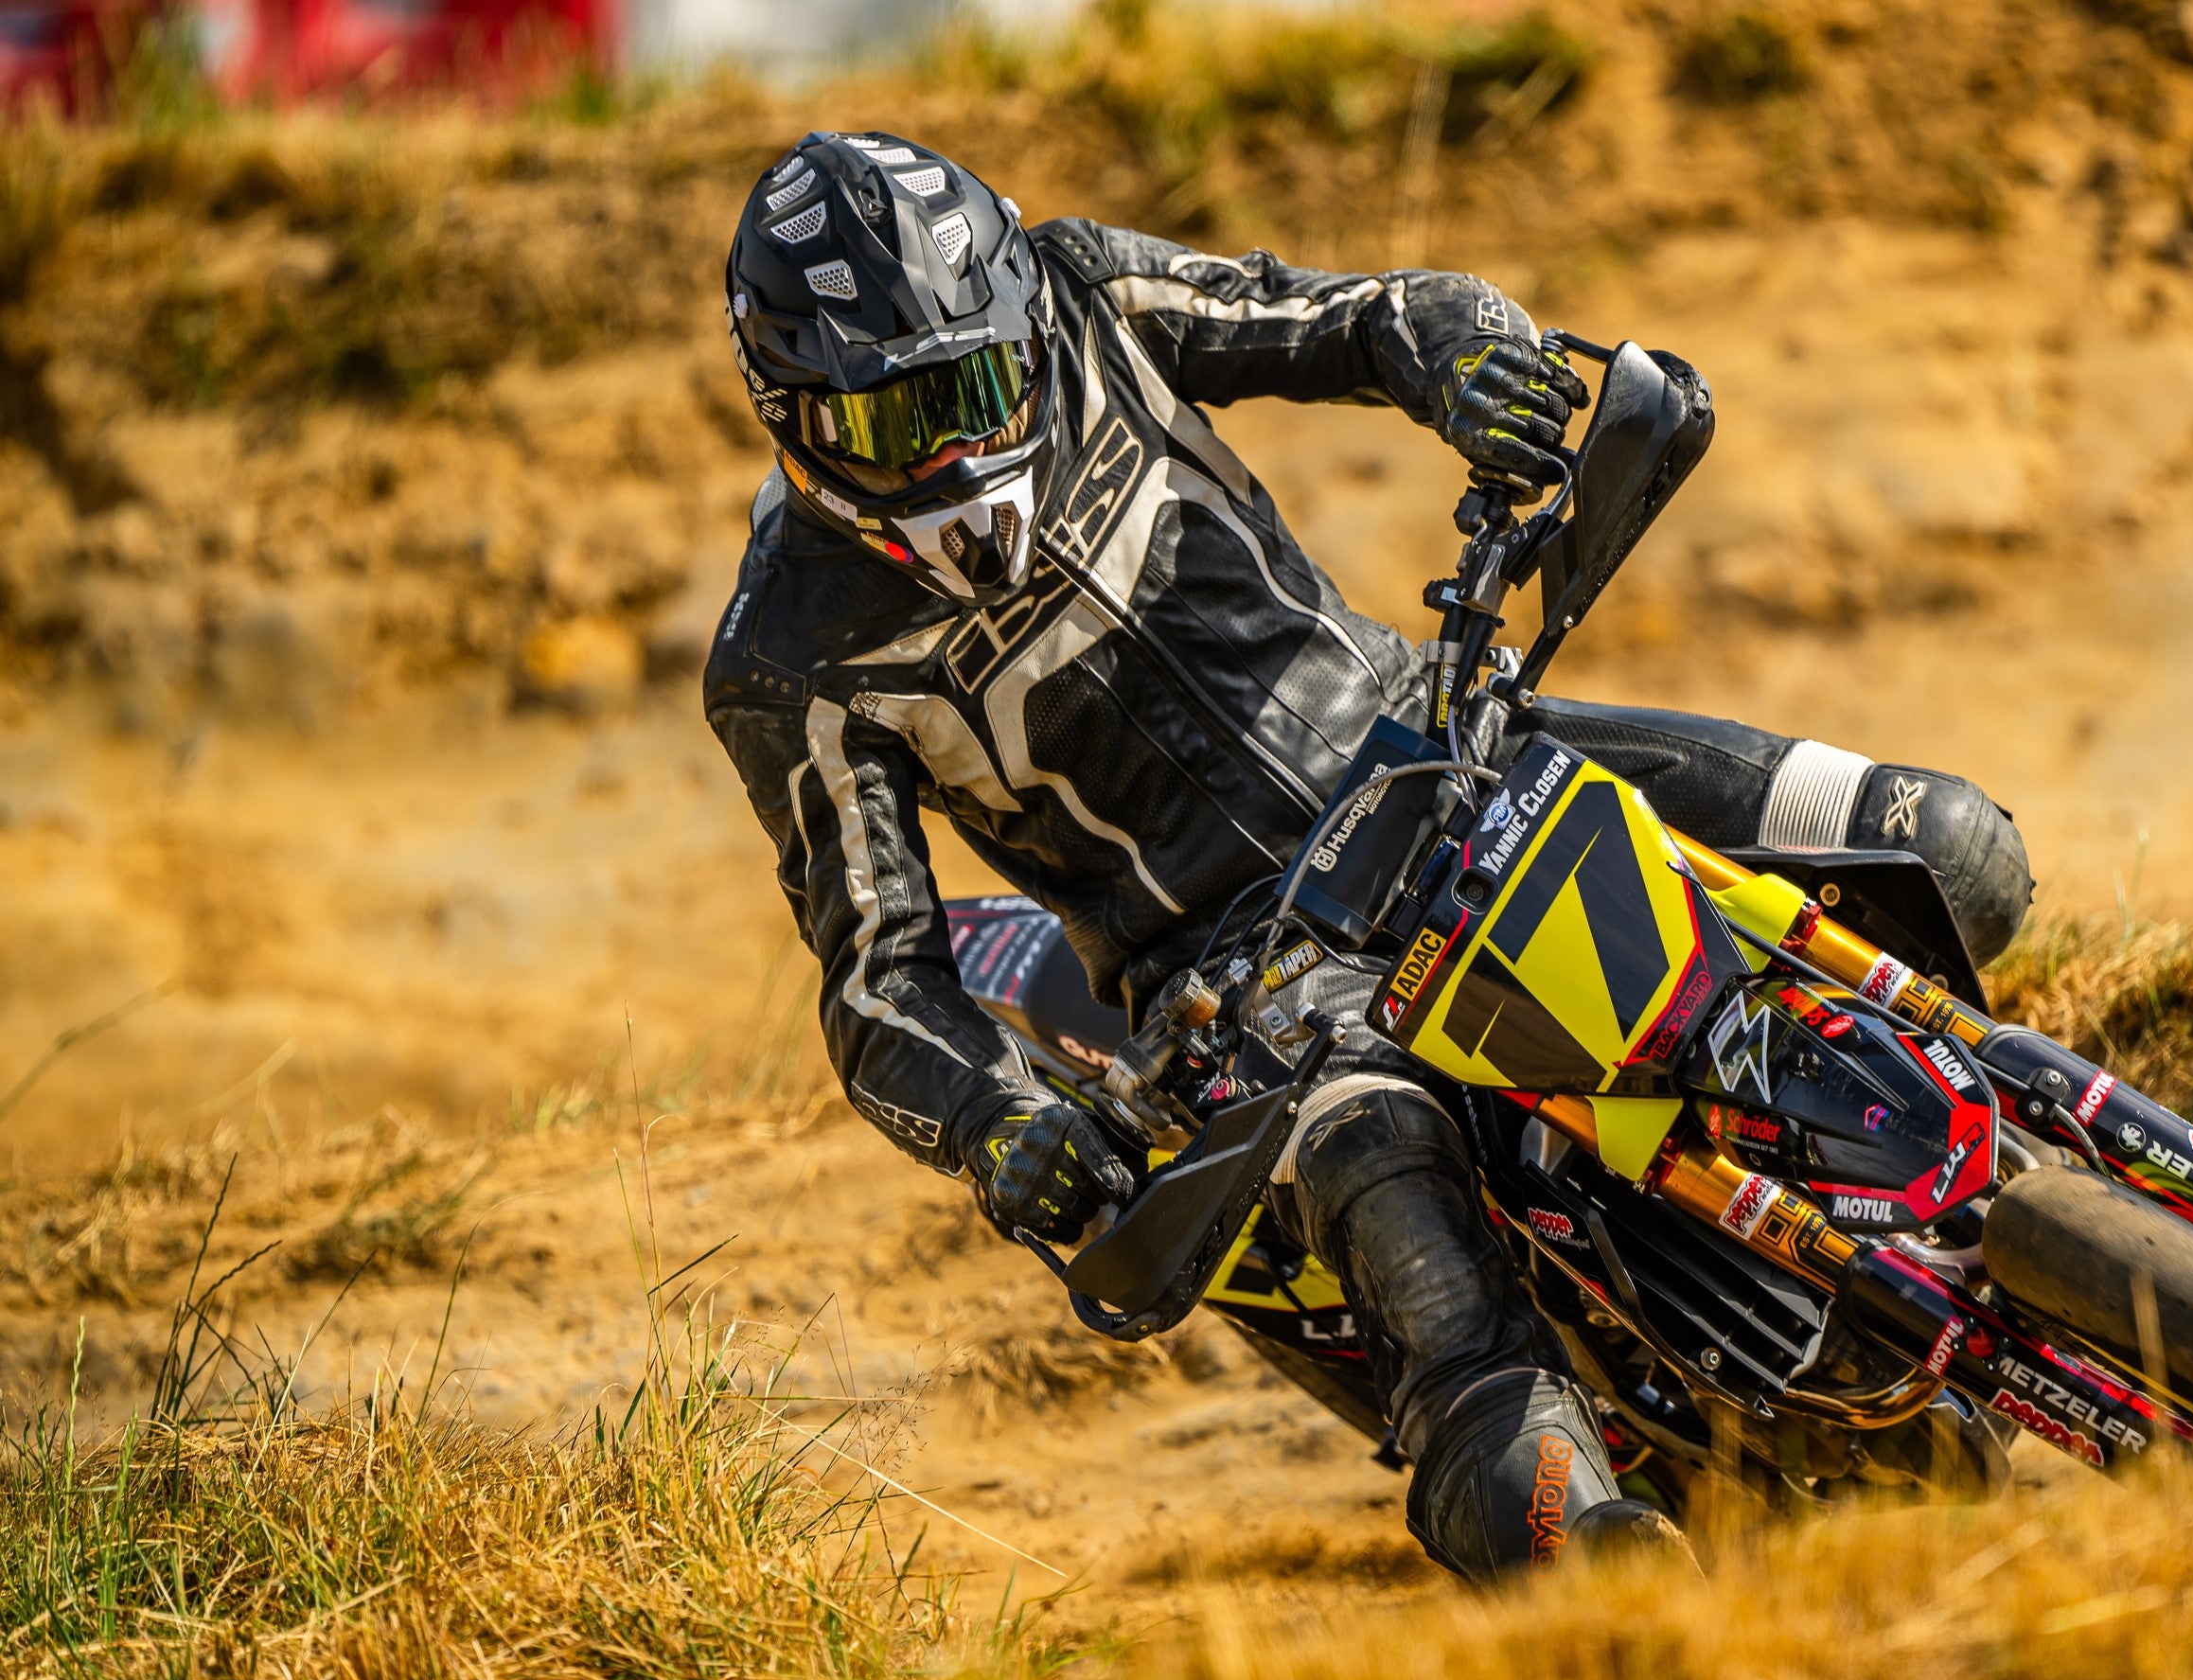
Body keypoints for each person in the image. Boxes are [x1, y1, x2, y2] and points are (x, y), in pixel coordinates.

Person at [704, 132, 2034, 1582]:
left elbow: (1364, 314)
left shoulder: (1087, 294)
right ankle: (1583, 1551)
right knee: (1399, 1202)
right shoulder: (786, 660)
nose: (956, 450)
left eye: (975, 388)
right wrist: (992, 1122)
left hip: (1447, 739)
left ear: (1021, 318)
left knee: (1951, 852)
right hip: (1240, 972)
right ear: (794, 416)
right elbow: (880, 981)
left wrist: (1473, 360)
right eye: (899, 419)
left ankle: (2001, 1173)